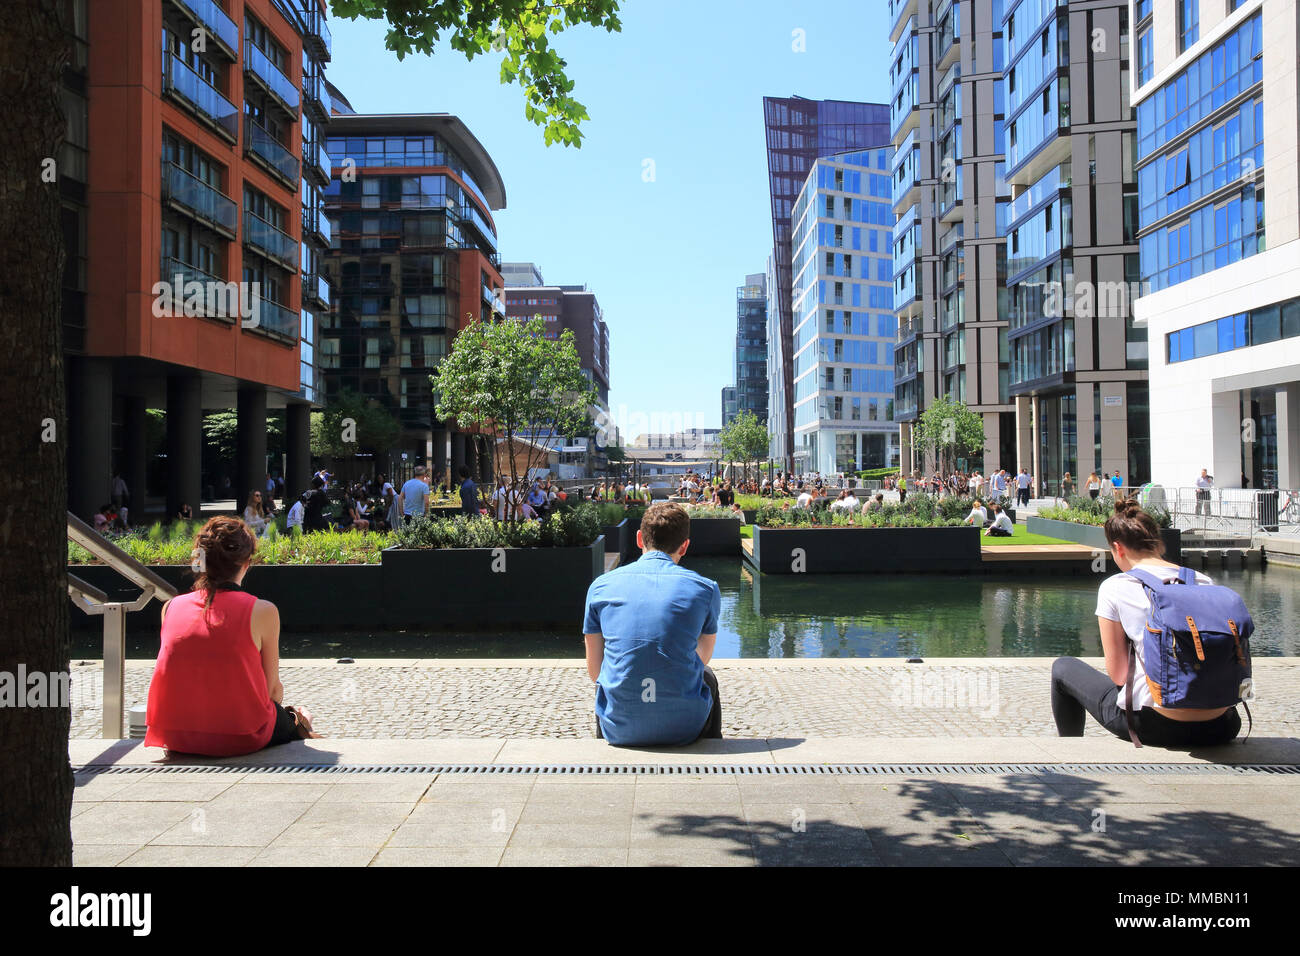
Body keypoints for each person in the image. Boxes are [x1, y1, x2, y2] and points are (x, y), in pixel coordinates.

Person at [1050, 499, 1243, 747]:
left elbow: (1119, 674)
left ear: (1118, 548)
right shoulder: (1204, 581)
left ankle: (1069, 753)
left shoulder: (1115, 586)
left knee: (1063, 668)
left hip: (1156, 725)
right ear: (1159, 544)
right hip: (1222, 725)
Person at [144, 516, 321, 757]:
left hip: (175, 736)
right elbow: (272, 692)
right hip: (241, 735)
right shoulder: (263, 610)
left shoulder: (171, 607)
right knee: (300, 716)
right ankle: (303, 719)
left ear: (200, 561)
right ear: (247, 562)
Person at [582, 503, 722, 746]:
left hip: (619, 728)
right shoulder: (706, 588)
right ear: (685, 546)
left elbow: (595, 670)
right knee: (706, 676)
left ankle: (603, 748)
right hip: (685, 728)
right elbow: (703, 656)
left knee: (607, 677)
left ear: (639, 539)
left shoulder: (600, 587)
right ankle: (714, 749)